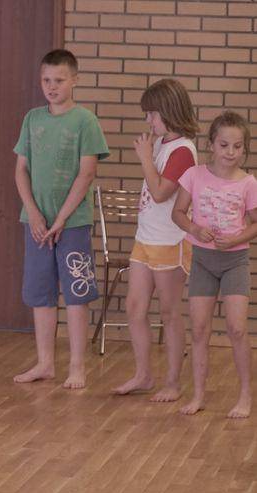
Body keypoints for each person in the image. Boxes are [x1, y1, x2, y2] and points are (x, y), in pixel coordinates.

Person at [12, 49, 110, 389]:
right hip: (37, 224)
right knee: (40, 292)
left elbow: (86, 174)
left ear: (74, 80)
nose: (51, 87)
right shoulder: (32, 119)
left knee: (76, 292)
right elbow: (21, 170)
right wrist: (34, 212)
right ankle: (45, 363)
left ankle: (77, 366)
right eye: (46, 80)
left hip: (73, 223)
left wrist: (61, 218)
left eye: (59, 80)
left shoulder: (85, 121)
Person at [112, 79, 198, 402]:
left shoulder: (183, 150)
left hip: (169, 241)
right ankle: (143, 374)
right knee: (134, 307)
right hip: (145, 238)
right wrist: (150, 154)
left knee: (169, 312)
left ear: (168, 111)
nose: (148, 121)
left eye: (152, 114)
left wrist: (146, 158)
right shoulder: (161, 143)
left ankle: (173, 382)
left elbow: (161, 193)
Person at [172, 111, 257, 418]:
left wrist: (236, 239)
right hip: (203, 261)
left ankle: (245, 395)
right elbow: (178, 212)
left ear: (245, 148)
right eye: (224, 145)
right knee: (199, 329)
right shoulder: (194, 175)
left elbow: (255, 223)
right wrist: (195, 229)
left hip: (235, 261)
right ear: (211, 145)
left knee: (237, 328)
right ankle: (198, 395)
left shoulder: (248, 182)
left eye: (237, 146)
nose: (230, 152)